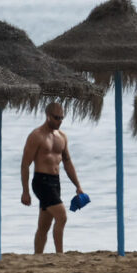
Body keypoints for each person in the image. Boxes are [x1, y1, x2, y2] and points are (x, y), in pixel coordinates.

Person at [21, 102, 84, 254]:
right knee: (62, 216)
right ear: (48, 116)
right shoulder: (36, 136)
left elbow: (68, 163)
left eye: (62, 118)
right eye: (56, 118)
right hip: (41, 182)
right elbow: (25, 164)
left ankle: (37, 256)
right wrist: (25, 191)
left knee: (44, 225)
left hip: (55, 182)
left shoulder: (62, 137)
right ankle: (60, 254)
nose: (60, 121)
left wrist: (78, 185)